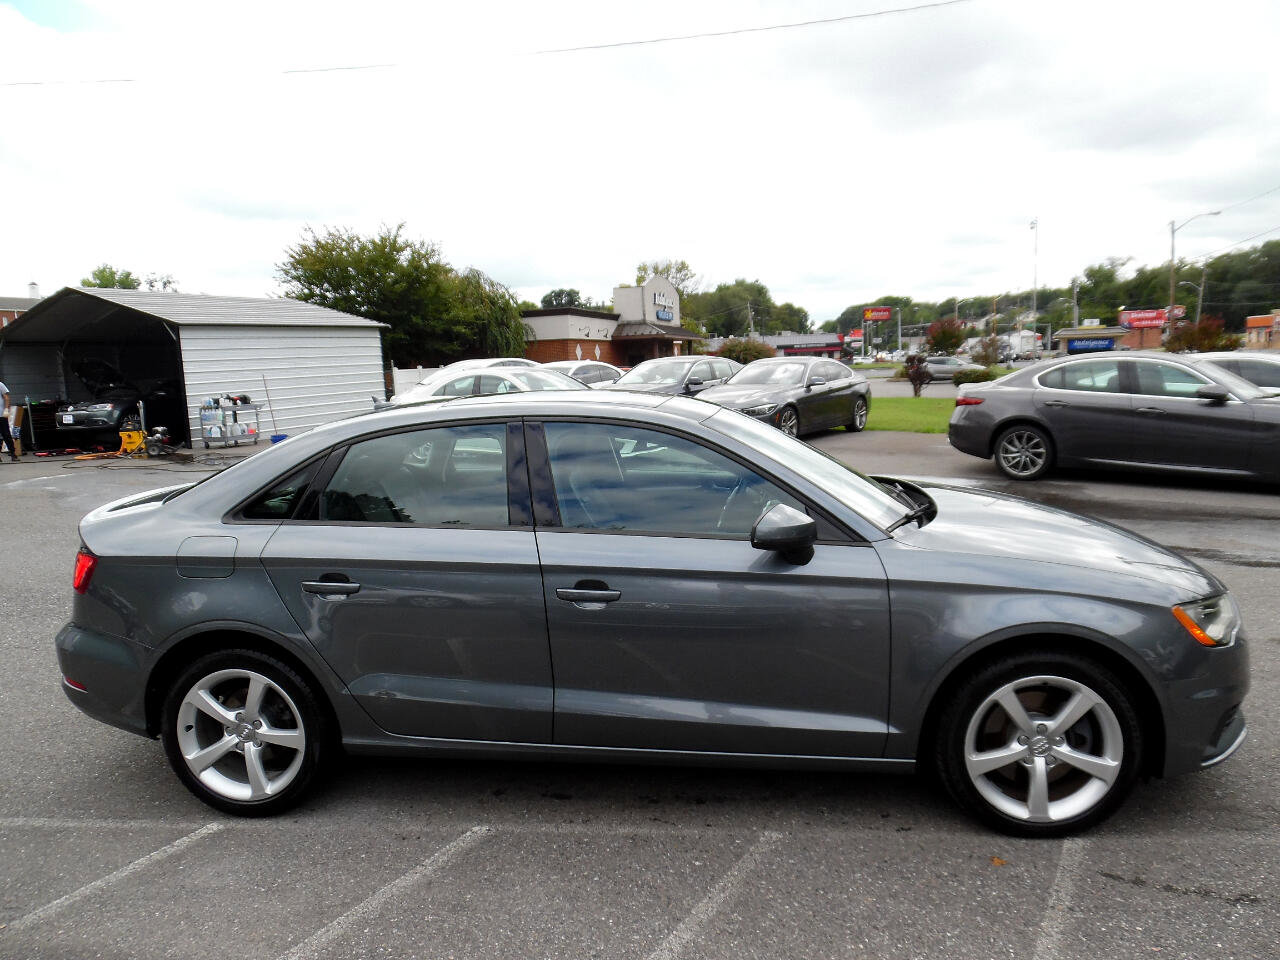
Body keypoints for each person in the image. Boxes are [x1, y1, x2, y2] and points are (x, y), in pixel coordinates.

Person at [0, 381, 19, 462]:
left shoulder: (0, 384)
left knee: (6, 434)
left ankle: (13, 454)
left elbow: (6, 397)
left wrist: (6, 409)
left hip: (1, 414)